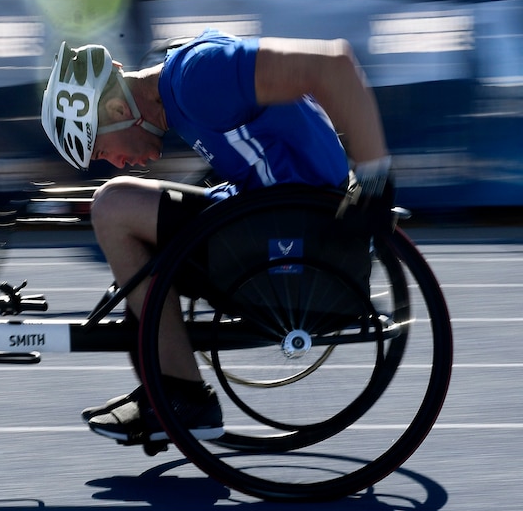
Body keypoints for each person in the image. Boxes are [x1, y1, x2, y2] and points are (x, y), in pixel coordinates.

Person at [40, 30, 393, 446]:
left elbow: (333, 63)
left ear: (118, 108)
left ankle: (184, 395)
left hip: (295, 239)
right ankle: (169, 389)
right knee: (136, 261)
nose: (116, 163)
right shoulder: (182, 87)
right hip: (276, 224)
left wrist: (375, 179)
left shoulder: (198, 77)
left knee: (111, 205)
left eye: (101, 151)